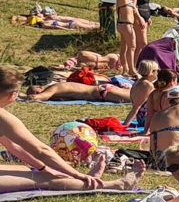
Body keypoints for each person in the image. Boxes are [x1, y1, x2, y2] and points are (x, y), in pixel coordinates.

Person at [0, 70, 141, 193]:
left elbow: (14, 146)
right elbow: (40, 150)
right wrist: (76, 174)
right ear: (12, 95)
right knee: (43, 179)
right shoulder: (3, 117)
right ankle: (114, 185)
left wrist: (44, 167)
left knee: (26, 170)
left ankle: (87, 181)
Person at [115, 0, 146, 74]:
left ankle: (125, 69)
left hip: (122, 24)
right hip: (126, 24)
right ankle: (132, 70)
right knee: (132, 47)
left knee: (124, 47)